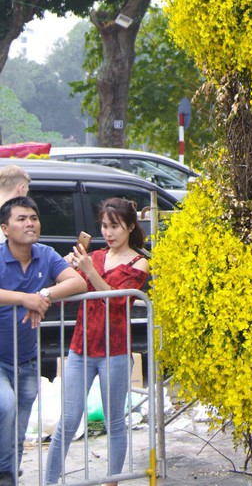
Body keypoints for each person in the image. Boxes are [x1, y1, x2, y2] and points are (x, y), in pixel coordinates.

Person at [45, 198, 150, 486]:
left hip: (114, 350)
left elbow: (118, 300)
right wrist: (63, 266)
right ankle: (49, 480)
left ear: (129, 227)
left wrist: (90, 270)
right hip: (80, 346)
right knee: (67, 421)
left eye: (114, 226)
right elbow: (69, 284)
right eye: (104, 225)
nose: (108, 232)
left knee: (114, 421)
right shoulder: (96, 255)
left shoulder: (138, 261)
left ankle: (112, 482)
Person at [0, 196, 85, 486]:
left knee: (19, 428)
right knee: (6, 406)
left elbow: (77, 282)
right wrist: (25, 298)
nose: (29, 223)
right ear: (5, 228)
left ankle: (9, 476)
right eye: (21, 219)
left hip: (27, 359)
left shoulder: (45, 254)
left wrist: (45, 295)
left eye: (33, 218)